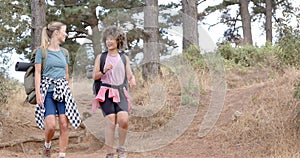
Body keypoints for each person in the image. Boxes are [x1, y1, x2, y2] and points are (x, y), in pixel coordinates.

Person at [34, 21, 81, 158]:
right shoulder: (41, 52)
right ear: (56, 33)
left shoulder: (65, 53)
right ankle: (47, 145)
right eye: (64, 31)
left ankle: (61, 154)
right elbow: (37, 73)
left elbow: (66, 74)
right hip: (47, 90)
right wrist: (38, 93)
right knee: (50, 126)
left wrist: (70, 93)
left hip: (63, 91)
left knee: (64, 124)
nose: (65, 34)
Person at [92, 26, 136, 158]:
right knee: (111, 120)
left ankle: (121, 148)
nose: (109, 42)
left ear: (118, 41)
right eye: (107, 39)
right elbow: (95, 76)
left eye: (112, 39)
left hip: (121, 92)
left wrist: (132, 80)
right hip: (105, 91)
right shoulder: (101, 57)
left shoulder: (124, 58)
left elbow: (129, 74)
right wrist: (104, 71)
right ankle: (110, 153)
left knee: (123, 120)